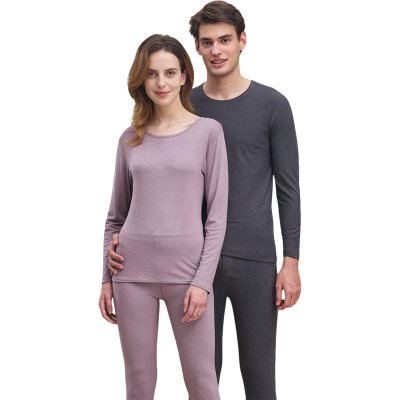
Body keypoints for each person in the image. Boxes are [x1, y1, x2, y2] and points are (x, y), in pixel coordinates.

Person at [108, 2, 302, 399]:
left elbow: (288, 188)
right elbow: (149, 191)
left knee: (259, 377)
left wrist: (291, 260)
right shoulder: (182, 103)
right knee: (203, 376)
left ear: (242, 40)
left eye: (225, 40)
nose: (216, 50)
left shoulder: (272, 105)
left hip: (253, 258)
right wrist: (121, 242)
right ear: (196, 48)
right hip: (193, 263)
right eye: (207, 42)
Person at [98, 33, 229, 400]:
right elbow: (115, 217)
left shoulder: (208, 132)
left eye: (170, 73)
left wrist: (203, 282)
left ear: (184, 75)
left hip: (188, 277)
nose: (161, 83)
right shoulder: (130, 139)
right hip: (131, 275)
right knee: (138, 385)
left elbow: (217, 217)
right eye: (152, 74)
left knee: (202, 383)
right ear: (142, 79)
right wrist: (106, 278)